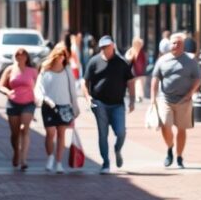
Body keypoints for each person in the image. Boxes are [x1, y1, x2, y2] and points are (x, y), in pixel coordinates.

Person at [83, 35, 136, 174]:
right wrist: (87, 97)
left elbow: (130, 81)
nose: (104, 49)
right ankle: (105, 162)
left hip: (118, 104)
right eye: (102, 47)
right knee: (103, 133)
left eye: (107, 46)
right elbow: (85, 81)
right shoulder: (94, 62)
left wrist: (132, 100)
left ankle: (117, 149)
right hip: (99, 102)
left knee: (121, 132)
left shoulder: (121, 63)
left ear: (113, 45)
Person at [151, 32, 201, 168]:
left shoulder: (190, 60)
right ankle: (170, 148)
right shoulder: (162, 60)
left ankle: (179, 156)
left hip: (184, 100)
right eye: (173, 43)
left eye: (179, 43)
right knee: (165, 125)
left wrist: (190, 93)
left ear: (183, 46)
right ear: (169, 45)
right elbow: (155, 78)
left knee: (181, 129)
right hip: (165, 98)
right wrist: (152, 98)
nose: (176, 45)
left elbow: (198, 78)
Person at [37, 43, 80, 173]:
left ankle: (59, 162)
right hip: (48, 106)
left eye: (64, 55)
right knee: (50, 133)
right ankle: (50, 157)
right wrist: (44, 98)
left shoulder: (67, 70)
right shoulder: (45, 68)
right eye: (59, 55)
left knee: (61, 134)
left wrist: (75, 106)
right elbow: (39, 87)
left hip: (65, 106)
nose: (61, 57)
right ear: (54, 55)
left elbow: (72, 89)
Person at [0, 47, 38, 170]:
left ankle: (23, 159)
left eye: (23, 55)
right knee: (15, 133)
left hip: (28, 103)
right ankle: (16, 152)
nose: (20, 57)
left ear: (27, 57)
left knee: (24, 129)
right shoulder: (10, 69)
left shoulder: (32, 71)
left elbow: (38, 86)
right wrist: (7, 92)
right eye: (17, 55)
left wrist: (38, 98)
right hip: (13, 103)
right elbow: (1, 85)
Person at [126, 37, 148, 102]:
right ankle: (135, 95)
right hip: (133, 70)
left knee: (139, 84)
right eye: (139, 44)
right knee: (135, 83)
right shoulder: (131, 50)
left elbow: (145, 61)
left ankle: (139, 96)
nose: (140, 45)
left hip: (140, 71)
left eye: (140, 44)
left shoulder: (142, 52)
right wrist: (131, 56)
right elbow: (127, 58)